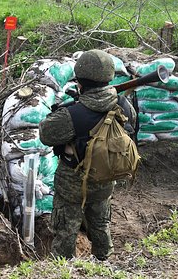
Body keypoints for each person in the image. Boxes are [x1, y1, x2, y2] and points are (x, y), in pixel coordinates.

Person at [38, 49, 136, 260]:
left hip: (72, 183)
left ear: (80, 81)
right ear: (109, 77)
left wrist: (62, 111)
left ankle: (62, 267)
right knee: (101, 224)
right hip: (105, 179)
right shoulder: (124, 106)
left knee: (65, 228)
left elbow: (46, 134)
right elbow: (131, 128)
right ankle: (103, 261)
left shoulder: (72, 114)